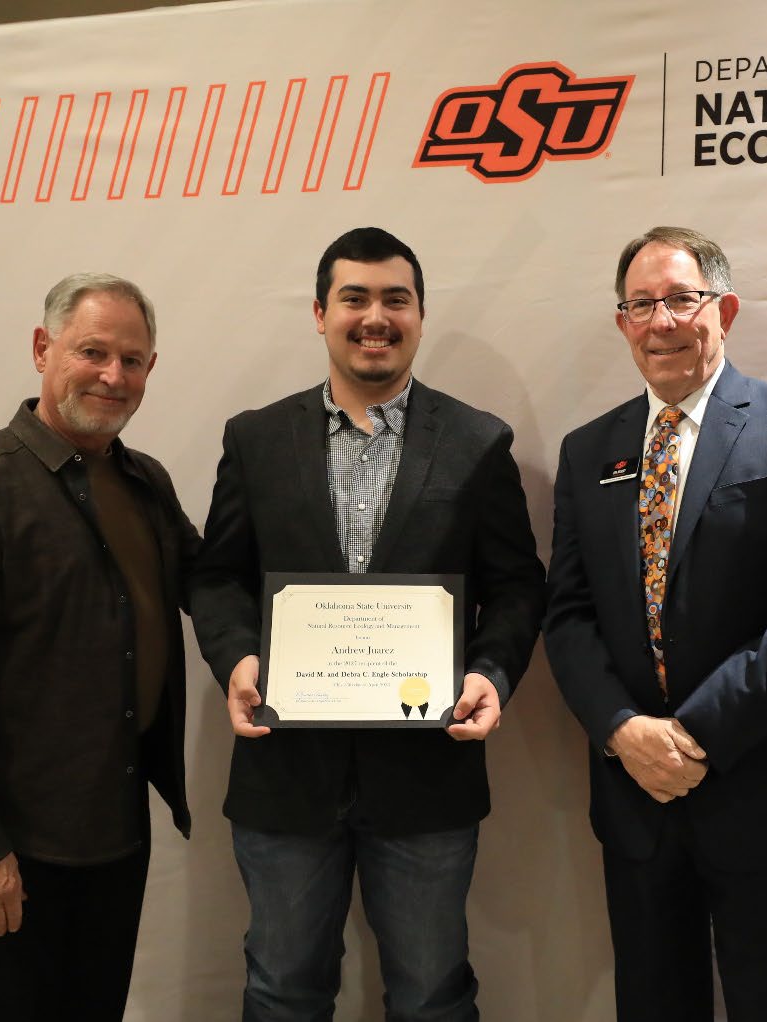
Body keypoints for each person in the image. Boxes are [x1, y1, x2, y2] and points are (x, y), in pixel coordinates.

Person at [190, 227, 546, 1021]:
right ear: (321, 313)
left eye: (396, 299)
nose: (375, 317)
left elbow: (518, 587)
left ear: (420, 315)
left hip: (427, 779)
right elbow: (215, 577)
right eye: (354, 298)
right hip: (285, 775)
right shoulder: (255, 439)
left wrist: (490, 673)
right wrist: (239, 659)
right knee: (282, 992)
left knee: (431, 997)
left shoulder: (478, 442)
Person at [544, 226, 767, 1021]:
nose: (662, 322)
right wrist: (623, 731)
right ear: (622, 322)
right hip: (638, 798)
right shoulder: (589, 451)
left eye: (681, 300)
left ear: (723, 310)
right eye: (641, 304)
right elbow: (570, 615)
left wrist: (690, 738)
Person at [0, 273, 200, 1021]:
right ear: (43, 349)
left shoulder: (146, 483)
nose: (113, 375)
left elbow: (215, 581)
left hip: (117, 830)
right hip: (13, 848)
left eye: (132, 360)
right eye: (92, 352)